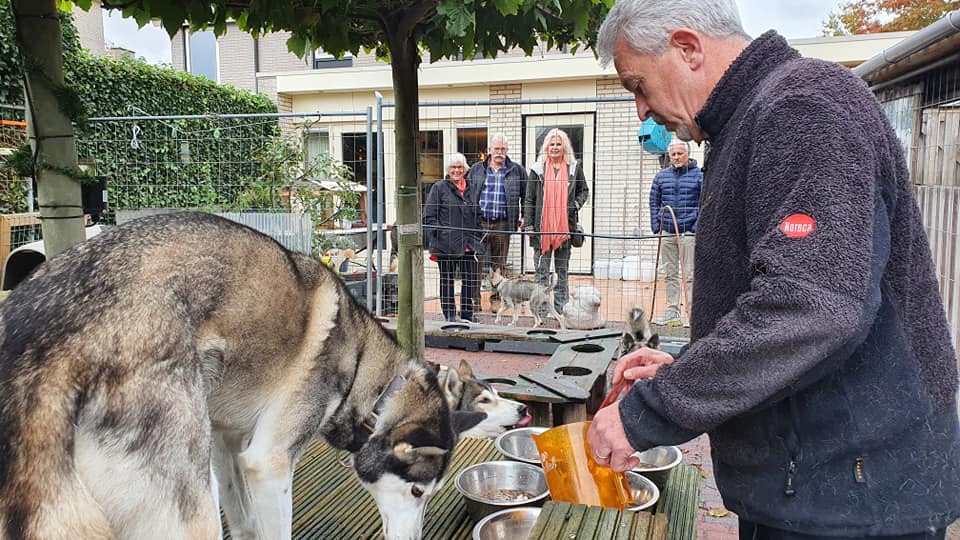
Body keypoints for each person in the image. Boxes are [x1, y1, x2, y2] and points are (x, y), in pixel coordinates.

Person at [587, 1, 960, 539]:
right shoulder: (752, 119)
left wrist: (646, 412)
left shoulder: (804, 106)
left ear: (687, 48)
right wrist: (686, 366)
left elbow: (812, 306)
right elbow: (785, 307)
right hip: (814, 487)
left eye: (637, 85)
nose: (641, 110)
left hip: (849, 500)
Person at [523, 128, 589, 316]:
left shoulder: (574, 168)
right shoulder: (537, 169)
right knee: (541, 274)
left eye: (558, 144)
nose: (555, 147)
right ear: (546, 147)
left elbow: (584, 190)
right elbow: (529, 199)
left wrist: (575, 204)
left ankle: (562, 312)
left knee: (562, 274)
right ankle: (541, 314)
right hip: (541, 230)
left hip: (564, 229)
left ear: (564, 146)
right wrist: (529, 225)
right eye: (551, 144)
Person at [466, 133, 527, 309]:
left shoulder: (517, 170)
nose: (500, 152)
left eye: (503, 149)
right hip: (480, 224)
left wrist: (523, 217)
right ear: (490, 150)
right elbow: (467, 194)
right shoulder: (477, 169)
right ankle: (474, 302)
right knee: (476, 264)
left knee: (498, 265)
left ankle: (495, 301)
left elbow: (527, 195)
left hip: (503, 224)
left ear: (507, 150)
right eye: (496, 149)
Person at [423, 153, 483, 323]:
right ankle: (449, 314)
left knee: (470, 281)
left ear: (465, 169)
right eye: (453, 167)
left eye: (459, 167)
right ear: (448, 170)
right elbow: (429, 217)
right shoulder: (439, 188)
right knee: (447, 280)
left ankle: (467, 314)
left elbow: (477, 213)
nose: (456, 170)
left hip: (469, 243)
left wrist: (477, 233)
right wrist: (443, 234)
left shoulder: (472, 187)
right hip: (446, 245)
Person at [650, 140, 702, 327]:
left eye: (680, 153)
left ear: (688, 154)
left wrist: (696, 227)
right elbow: (654, 202)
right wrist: (658, 226)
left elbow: (704, 202)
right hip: (668, 231)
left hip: (689, 231)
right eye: (673, 154)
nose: (676, 157)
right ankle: (673, 310)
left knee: (690, 273)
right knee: (670, 273)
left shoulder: (699, 176)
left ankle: (691, 313)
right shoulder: (661, 177)